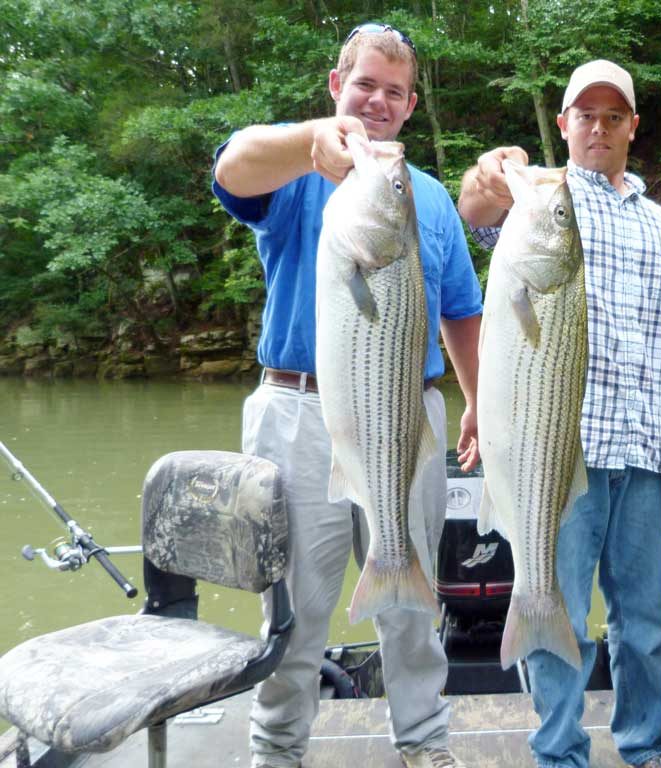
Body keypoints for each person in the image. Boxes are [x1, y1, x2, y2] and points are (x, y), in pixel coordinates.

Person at [212, 22, 481, 768]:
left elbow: (462, 311)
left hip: (406, 409)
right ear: (338, 86)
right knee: (293, 611)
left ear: (411, 106)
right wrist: (308, 143)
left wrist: (479, 402)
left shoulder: (423, 196)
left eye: (395, 92)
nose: (378, 101)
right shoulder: (295, 170)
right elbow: (231, 168)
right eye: (365, 84)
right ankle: (278, 751)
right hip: (297, 411)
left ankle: (424, 743)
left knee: (411, 607)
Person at [457, 60, 661, 768]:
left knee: (647, 623)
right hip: (559, 453)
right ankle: (559, 752)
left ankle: (648, 745)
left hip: (646, 454)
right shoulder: (543, 197)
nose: (599, 127)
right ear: (563, 126)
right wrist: (491, 170)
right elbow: (476, 209)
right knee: (555, 607)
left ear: (632, 126)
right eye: (584, 116)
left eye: (613, 116)